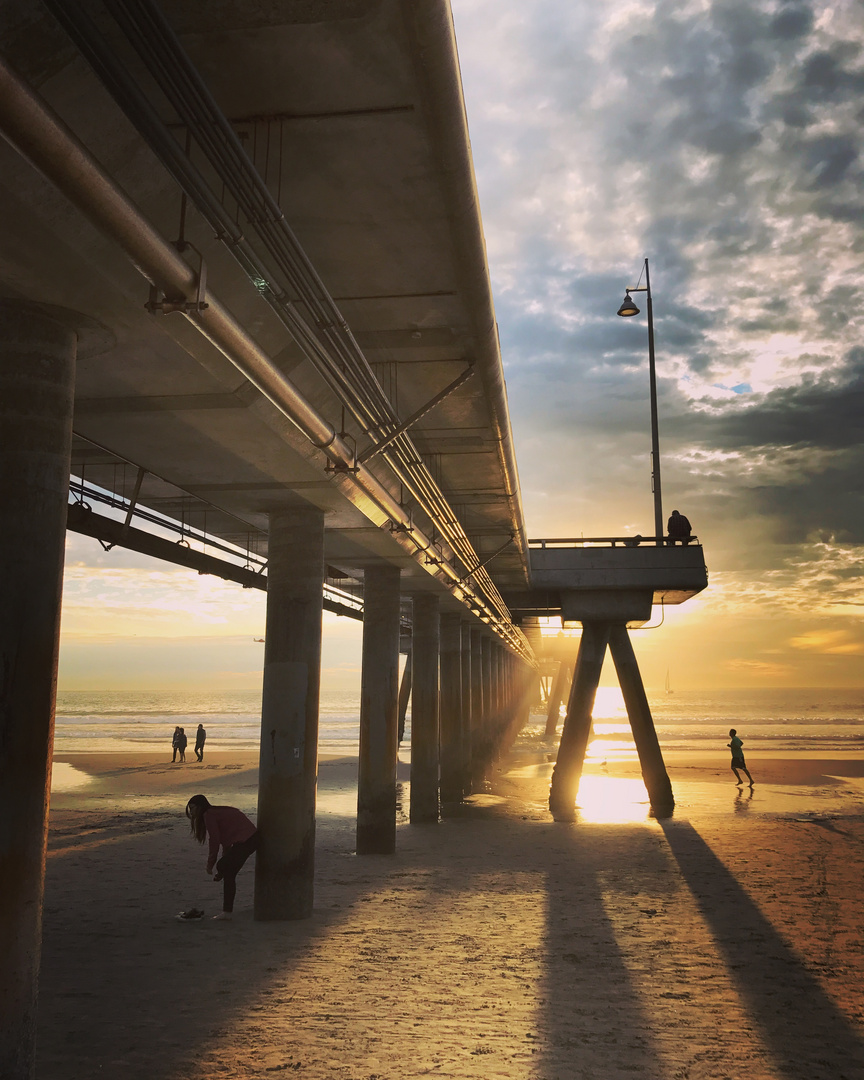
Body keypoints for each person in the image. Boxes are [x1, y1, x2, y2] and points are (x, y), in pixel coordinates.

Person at [185, 794, 259, 920]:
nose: (191, 812)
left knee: (223, 866)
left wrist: (210, 864)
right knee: (228, 872)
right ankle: (227, 912)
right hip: (249, 840)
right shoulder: (214, 813)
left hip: (248, 840)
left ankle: (227, 912)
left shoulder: (209, 815)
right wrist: (223, 865)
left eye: (192, 808)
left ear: (200, 807)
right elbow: (226, 843)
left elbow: (214, 840)